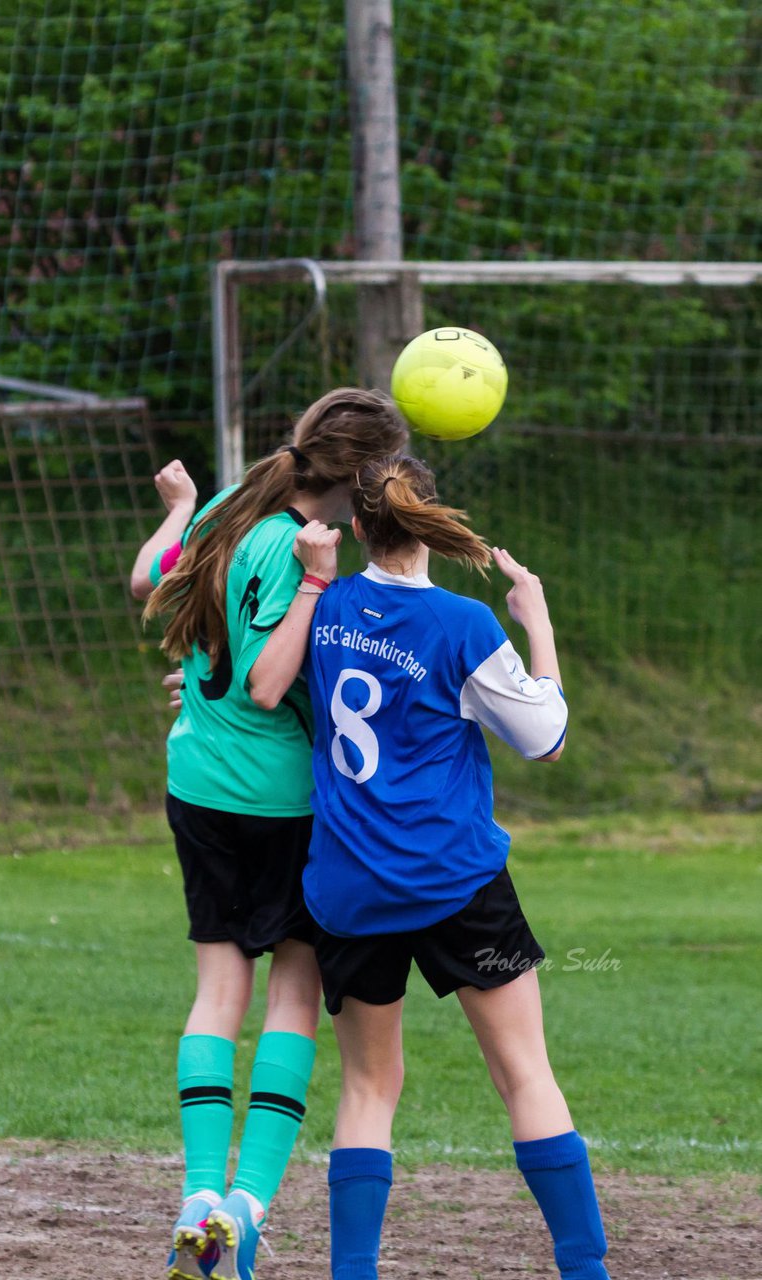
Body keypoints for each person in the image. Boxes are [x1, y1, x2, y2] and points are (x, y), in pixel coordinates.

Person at [255, 452, 610, 1280]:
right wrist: (537, 618)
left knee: (371, 1090)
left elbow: (267, 683)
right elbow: (546, 739)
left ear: (355, 527)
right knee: (525, 1074)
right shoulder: (462, 626)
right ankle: (586, 1269)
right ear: (425, 519)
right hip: (455, 883)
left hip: (348, 890)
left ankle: (354, 1273)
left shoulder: (326, 604)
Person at [129, 390, 408, 1280]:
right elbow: (268, 682)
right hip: (281, 803)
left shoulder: (228, 504)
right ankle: (244, 1210)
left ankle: (196, 1200)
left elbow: (146, 583)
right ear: (364, 481)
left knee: (218, 991)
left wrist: (179, 511)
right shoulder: (302, 551)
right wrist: (318, 585)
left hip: (197, 784)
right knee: (292, 998)